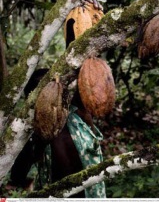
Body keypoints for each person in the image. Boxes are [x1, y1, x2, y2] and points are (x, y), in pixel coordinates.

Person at [7, 69, 106, 198]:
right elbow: (18, 176)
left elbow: (18, 176)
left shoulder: (77, 113)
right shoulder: (35, 134)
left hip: (88, 192)